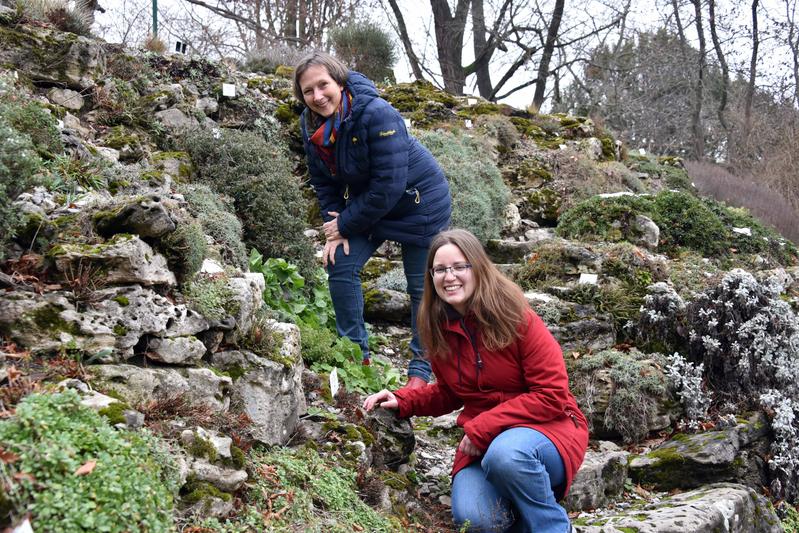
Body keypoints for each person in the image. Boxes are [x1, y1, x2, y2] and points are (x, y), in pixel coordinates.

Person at [364, 229, 589, 533]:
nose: (449, 276)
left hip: (547, 429)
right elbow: (450, 393)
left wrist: (484, 427)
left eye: (459, 266)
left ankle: (554, 527)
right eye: (440, 269)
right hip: (484, 444)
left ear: (478, 268)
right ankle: (524, 513)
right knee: (477, 520)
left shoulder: (517, 318)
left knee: (506, 455)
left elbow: (551, 395)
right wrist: (403, 400)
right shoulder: (439, 326)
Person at [294, 52, 451, 388]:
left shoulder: (377, 114)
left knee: (420, 288)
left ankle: (420, 371)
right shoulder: (310, 125)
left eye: (324, 85)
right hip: (372, 205)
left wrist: (345, 223)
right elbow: (324, 182)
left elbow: (389, 187)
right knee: (340, 264)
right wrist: (335, 229)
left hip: (418, 204)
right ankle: (355, 355)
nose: (318, 96)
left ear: (339, 82)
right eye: (308, 91)